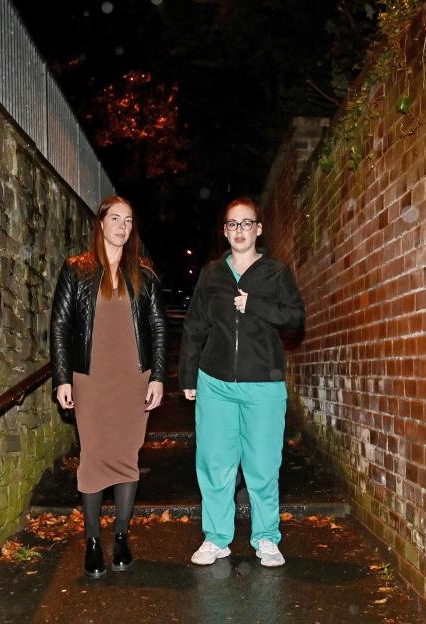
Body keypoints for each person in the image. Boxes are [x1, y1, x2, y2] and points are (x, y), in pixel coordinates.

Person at [179, 197, 305, 567]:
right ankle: (216, 538)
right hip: (215, 382)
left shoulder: (276, 272)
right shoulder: (211, 274)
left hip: (263, 385)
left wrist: (256, 306)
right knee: (215, 464)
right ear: (225, 231)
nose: (239, 231)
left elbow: (295, 318)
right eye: (232, 224)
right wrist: (188, 375)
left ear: (259, 229)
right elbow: (194, 326)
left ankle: (266, 538)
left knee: (262, 466)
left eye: (246, 223)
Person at [50, 195, 167, 578]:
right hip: (91, 380)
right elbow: (61, 327)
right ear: (100, 223)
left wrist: (159, 376)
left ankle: (120, 536)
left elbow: (158, 328)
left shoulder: (144, 272)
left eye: (128, 220)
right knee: (94, 457)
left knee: (127, 458)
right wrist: (62, 378)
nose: (122, 226)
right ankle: (92, 541)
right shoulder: (76, 269)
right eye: (115, 218)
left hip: (132, 379)